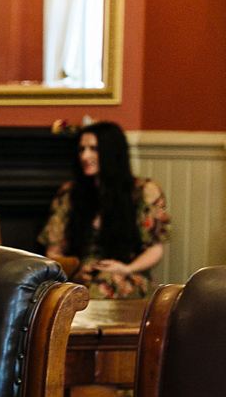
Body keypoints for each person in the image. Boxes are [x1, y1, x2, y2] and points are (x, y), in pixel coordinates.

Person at [38, 121, 170, 299]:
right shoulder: (69, 193)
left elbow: (156, 249)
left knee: (102, 285)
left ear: (112, 152)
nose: (85, 156)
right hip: (78, 276)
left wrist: (126, 268)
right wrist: (73, 273)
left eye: (94, 149)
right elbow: (54, 252)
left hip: (127, 273)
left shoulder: (144, 191)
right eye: (81, 149)